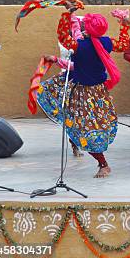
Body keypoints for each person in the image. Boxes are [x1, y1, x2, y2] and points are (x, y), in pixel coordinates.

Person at [57, 2, 130, 178]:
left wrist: (68, 14)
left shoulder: (79, 45)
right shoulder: (105, 42)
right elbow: (123, 44)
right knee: (92, 126)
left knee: (85, 127)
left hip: (83, 93)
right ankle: (79, 145)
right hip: (100, 91)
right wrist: (125, 24)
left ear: (87, 28)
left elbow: (62, 37)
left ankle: (103, 164)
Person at [36, 16, 84, 157]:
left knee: (77, 114)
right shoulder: (65, 42)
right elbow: (67, 59)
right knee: (69, 113)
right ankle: (74, 143)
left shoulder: (83, 43)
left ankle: (76, 143)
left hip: (79, 79)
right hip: (65, 79)